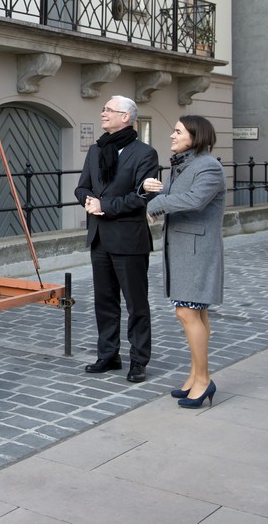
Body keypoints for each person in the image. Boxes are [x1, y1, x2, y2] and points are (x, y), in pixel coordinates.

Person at [142, 115, 226, 408]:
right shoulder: (187, 164)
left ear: (195, 135)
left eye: (178, 132)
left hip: (196, 250)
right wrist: (158, 190)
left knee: (187, 313)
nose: (172, 136)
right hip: (183, 247)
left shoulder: (208, 166)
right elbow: (181, 194)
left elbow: (195, 200)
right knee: (194, 313)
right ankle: (195, 375)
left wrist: (159, 202)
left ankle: (203, 380)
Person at [74, 95, 159, 382]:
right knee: (105, 301)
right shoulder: (96, 150)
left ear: (126, 117)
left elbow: (142, 197)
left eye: (109, 110)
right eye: (103, 109)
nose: (103, 113)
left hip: (129, 240)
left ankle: (139, 360)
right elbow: (82, 186)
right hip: (99, 238)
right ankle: (109, 355)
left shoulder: (145, 153)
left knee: (136, 304)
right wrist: (87, 199)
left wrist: (104, 206)